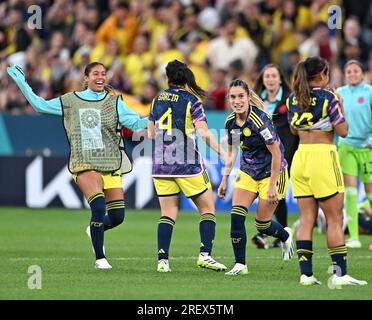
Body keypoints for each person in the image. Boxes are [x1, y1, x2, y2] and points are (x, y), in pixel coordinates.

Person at [7, 62, 148, 269]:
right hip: (84, 162)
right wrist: (21, 80)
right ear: (86, 79)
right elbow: (39, 105)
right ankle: (100, 258)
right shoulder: (71, 101)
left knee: (117, 217)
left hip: (110, 162)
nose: (100, 77)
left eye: (103, 74)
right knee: (98, 207)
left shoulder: (115, 102)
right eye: (95, 74)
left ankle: (94, 230)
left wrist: (158, 116)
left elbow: (136, 124)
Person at [287, 56, 367, 286]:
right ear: (322, 74)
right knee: (335, 218)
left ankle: (306, 275)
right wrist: (340, 105)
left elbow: (293, 129)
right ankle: (340, 274)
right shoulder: (329, 97)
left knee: (306, 219)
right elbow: (343, 130)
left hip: (300, 158)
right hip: (323, 156)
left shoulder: (293, 98)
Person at [148, 60, 229, 273]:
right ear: (186, 77)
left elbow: (150, 132)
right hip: (186, 163)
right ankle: (205, 255)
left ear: (167, 77)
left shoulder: (157, 99)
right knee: (208, 208)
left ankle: (163, 261)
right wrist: (222, 152)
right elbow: (202, 132)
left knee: (168, 213)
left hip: (161, 164)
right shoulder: (191, 100)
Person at [217, 79, 294, 276]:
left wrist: (272, 186)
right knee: (236, 216)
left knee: (262, 223)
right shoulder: (230, 122)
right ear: (229, 99)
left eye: (241, 96)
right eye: (233, 97)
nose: (237, 101)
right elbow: (233, 152)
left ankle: (285, 235)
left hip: (272, 173)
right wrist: (225, 179)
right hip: (249, 171)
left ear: (248, 97)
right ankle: (240, 264)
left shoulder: (261, 121)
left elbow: (277, 154)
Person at [252, 64, 299, 249]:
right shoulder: (256, 101)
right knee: (273, 192)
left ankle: (268, 232)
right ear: (263, 80)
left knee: (276, 191)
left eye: (273, 76)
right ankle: (279, 233)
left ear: (280, 79)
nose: (270, 79)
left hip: (285, 151)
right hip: (264, 153)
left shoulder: (288, 100)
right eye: (267, 76)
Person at [336, 60, 372, 249]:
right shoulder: (339, 93)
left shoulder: (369, 92)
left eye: (355, 70)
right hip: (346, 147)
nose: (352, 74)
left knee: (370, 193)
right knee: (350, 192)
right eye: (348, 71)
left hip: (366, 148)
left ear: (362, 73)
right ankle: (354, 237)